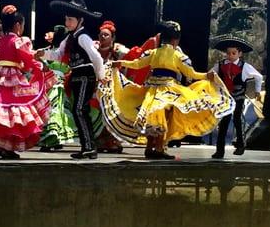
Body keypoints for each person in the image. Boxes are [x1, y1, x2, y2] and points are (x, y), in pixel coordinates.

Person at [99, 20, 235, 159]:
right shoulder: (178, 56)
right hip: (169, 90)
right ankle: (159, 148)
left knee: (153, 118)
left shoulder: (153, 53)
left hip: (152, 90)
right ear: (176, 40)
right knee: (166, 117)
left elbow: (137, 64)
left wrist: (119, 63)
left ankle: (150, 148)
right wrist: (207, 76)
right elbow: (191, 74)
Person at [36, 0, 105, 159]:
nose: (67, 22)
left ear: (80, 20)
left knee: (80, 110)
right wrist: (43, 53)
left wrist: (101, 76)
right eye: (66, 19)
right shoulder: (70, 37)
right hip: (76, 75)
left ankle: (89, 147)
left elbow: (96, 57)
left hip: (85, 75)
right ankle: (87, 146)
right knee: (79, 110)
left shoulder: (82, 37)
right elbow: (58, 55)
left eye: (70, 19)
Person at [0, 5, 54, 159]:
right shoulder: (18, 41)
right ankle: (5, 147)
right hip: (13, 79)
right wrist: (40, 67)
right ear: (18, 25)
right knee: (14, 114)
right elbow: (28, 62)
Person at [211, 34, 263, 159]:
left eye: (233, 53)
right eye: (228, 53)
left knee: (237, 120)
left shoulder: (245, 66)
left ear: (240, 54)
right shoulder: (221, 64)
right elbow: (211, 74)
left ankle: (240, 145)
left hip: (238, 97)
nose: (230, 55)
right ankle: (219, 150)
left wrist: (257, 91)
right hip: (225, 98)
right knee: (224, 122)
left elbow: (259, 77)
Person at [38, 25, 76, 151]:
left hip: (55, 84)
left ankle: (54, 138)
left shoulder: (60, 53)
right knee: (56, 110)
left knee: (55, 110)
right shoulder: (60, 53)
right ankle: (52, 138)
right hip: (54, 84)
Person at [94, 20, 129, 153]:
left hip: (113, 88)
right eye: (101, 35)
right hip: (97, 88)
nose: (102, 37)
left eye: (106, 35)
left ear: (113, 38)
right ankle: (101, 139)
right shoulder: (94, 49)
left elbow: (131, 56)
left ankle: (111, 140)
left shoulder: (118, 51)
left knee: (112, 111)